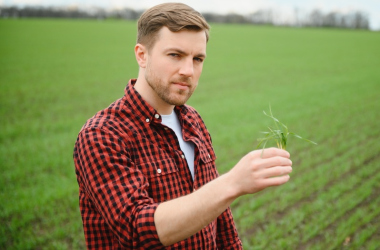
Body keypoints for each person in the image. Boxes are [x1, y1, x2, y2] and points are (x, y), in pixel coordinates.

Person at [73, 2, 292, 249]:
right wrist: (231, 184)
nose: (188, 70)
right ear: (141, 55)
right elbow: (136, 229)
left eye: (198, 59)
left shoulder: (193, 120)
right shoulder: (103, 135)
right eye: (175, 55)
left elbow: (220, 220)